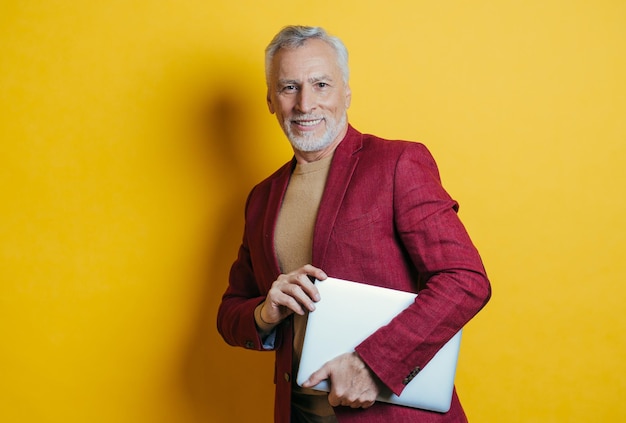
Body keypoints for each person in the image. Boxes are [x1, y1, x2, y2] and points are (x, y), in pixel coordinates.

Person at [217, 25, 491, 423]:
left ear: (346, 92)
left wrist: (373, 364)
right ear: (270, 100)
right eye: (289, 87)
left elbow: (464, 278)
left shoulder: (396, 164)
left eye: (321, 84)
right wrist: (265, 312)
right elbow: (230, 313)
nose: (305, 103)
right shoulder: (261, 198)